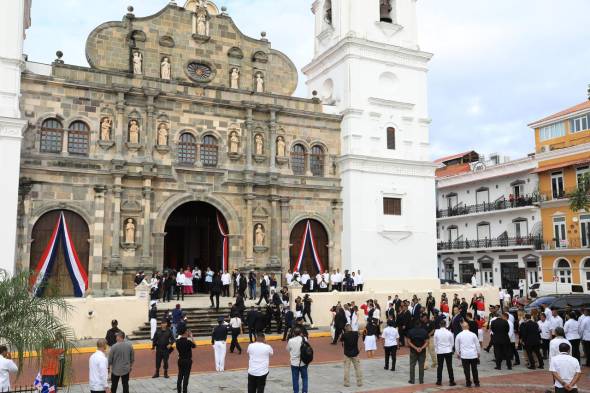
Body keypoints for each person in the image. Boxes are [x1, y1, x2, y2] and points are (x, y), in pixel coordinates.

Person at [454, 321, 481, 388]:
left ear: (462, 327)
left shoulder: (459, 335)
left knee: (466, 370)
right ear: (468, 326)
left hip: (464, 355)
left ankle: (468, 382)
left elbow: (457, 345)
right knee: (474, 369)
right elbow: (477, 344)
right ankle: (476, 382)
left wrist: (457, 353)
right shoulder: (473, 334)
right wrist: (478, 352)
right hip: (473, 354)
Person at [434, 320, 456, 386]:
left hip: (440, 351)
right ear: (445, 324)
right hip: (448, 350)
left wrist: (437, 349)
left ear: (440, 325)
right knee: (449, 366)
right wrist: (450, 348)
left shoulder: (436, 332)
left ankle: (439, 381)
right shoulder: (449, 333)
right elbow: (452, 342)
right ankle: (451, 381)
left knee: (440, 366)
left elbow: (435, 343)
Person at [287, 327, 308, 393]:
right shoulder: (304, 339)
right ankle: (304, 391)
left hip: (294, 363)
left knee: (295, 379)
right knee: (304, 378)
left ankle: (296, 392)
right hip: (303, 362)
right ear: (300, 333)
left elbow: (287, 349)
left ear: (293, 333)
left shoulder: (291, 341)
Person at [175, 327, 195, 393]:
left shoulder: (177, 342)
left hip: (180, 360)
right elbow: (194, 345)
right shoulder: (188, 342)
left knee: (180, 375)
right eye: (187, 331)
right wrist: (191, 337)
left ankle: (179, 390)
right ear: (185, 332)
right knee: (186, 376)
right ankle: (184, 391)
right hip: (187, 360)